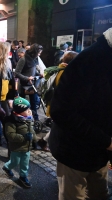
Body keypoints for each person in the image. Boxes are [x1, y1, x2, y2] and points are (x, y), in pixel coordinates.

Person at [48, 27, 112, 200]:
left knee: (101, 195)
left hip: (99, 153)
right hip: (74, 153)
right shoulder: (90, 60)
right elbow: (61, 111)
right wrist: (106, 142)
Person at [37, 51, 78, 152]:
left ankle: (44, 141)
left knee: (58, 124)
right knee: (59, 124)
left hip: (56, 103)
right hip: (60, 105)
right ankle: (44, 141)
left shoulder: (60, 69)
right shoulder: (65, 72)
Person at [2, 97, 36, 188]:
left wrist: (35, 140)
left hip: (27, 147)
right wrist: (24, 137)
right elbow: (11, 135)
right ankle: (7, 167)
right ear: (19, 111)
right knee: (15, 161)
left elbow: (32, 131)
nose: (29, 110)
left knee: (25, 163)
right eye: (27, 109)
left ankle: (23, 176)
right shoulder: (11, 121)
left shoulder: (28, 118)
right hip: (16, 147)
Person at [14, 43, 43, 121]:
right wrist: (27, 78)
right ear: (34, 52)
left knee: (33, 104)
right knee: (23, 105)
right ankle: (22, 121)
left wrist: (39, 74)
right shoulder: (23, 59)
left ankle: (35, 121)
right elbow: (17, 73)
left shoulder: (34, 59)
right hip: (23, 86)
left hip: (31, 85)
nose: (39, 55)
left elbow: (32, 71)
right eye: (39, 53)